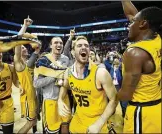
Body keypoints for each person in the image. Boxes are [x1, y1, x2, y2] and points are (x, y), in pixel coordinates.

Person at [58, 36, 118, 133]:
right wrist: (60, 100)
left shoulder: (101, 73)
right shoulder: (68, 72)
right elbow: (64, 86)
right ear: (73, 53)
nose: (83, 47)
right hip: (78, 120)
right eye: (79, 45)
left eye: (86, 45)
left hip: (98, 121)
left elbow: (114, 99)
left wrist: (100, 123)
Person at [117, 1, 162, 133]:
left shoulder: (136, 53)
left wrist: (105, 92)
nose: (128, 26)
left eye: (131, 23)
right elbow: (132, 14)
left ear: (142, 24)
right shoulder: (157, 39)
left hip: (141, 113)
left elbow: (125, 95)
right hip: (156, 107)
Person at [34, 36, 70, 133]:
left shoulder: (66, 59)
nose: (59, 45)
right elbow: (36, 84)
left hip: (64, 99)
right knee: (52, 131)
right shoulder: (43, 60)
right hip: (50, 101)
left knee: (65, 127)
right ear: (51, 45)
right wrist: (54, 76)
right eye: (56, 43)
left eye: (61, 43)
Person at [14, 16, 37, 133]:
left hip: (33, 96)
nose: (23, 48)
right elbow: (18, 40)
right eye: (21, 47)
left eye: (24, 46)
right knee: (30, 122)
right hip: (28, 98)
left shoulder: (28, 63)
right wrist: (25, 26)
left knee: (34, 121)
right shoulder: (18, 63)